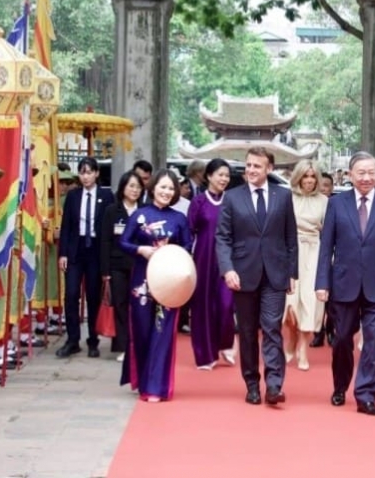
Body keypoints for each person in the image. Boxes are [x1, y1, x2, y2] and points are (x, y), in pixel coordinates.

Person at [316, 151, 375, 416]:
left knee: (373, 339)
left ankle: (366, 394)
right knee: (342, 339)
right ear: (351, 175)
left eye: (371, 173)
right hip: (344, 282)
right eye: (361, 173)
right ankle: (340, 384)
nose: (366, 178)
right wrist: (322, 283)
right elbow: (326, 247)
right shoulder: (337, 203)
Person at [215, 148, 298, 406]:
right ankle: (252, 384)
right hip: (243, 274)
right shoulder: (231, 197)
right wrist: (227, 269)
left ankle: (274, 385)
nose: (251, 170)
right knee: (248, 332)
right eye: (248, 165)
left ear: (269, 169)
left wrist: (292, 272)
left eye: (257, 166)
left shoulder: (283, 196)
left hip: (275, 274)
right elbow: (223, 237)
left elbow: (290, 237)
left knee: (272, 328)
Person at [119, 170, 193, 402]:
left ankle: (155, 386)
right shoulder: (140, 214)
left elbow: (188, 247)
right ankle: (142, 378)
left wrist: (172, 253)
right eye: (163, 187)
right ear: (152, 189)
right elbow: (123, 242)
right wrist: (141, 250)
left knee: (162, 334)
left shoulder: (179, 219)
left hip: (169, 282)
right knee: (142, 331)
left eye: (171, 189)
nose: (166, 192)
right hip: (142, 280)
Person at [56, 157, 114, 359]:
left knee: (93, 296)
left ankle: (93, 340)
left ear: (97, 173)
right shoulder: (73, 196)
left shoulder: (107, 195)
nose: (86, 176)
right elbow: (66, 227)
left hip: (96, 251)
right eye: (82, 172)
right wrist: (62, 253)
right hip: (75, 249)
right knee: (71, 294)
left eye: (89, 172)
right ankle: (72, 340)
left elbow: (110, 227)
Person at [186, 159, 237, 370]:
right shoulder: (198, 202)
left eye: (226, 175)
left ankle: (225, 344)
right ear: (209, 176)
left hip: (227, 261)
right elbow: (189, 231)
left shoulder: (232, 201)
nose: (224, 179)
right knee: (203, 307)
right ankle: (205, 354)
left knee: (226, 305)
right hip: (203, 259)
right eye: (220, 174)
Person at [284, 160, 327, 369]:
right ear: (298, 177)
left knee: (311, 302)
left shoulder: (324, 201)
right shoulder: (287, 198)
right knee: (290, 303)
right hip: (291, 252)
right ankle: (292, 337)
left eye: (312, 176)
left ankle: (303, 348)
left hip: (315, 252)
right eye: (305, 176)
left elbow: (328, 231)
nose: (309, 180)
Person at [100, 171, 143, 360]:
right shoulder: (112, 210)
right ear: (123, 187)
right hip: (117, 265)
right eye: (131, 186)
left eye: (138, 187)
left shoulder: (145, 210)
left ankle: (139, 345)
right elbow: (105, 241)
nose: (135, 190)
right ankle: (124, 346)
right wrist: (105, 271)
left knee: (139, 305)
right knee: (120, 304)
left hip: (140, 264)